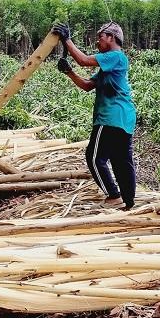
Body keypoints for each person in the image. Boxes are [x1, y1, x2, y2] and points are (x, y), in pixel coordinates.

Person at [52, 21, 137, 209]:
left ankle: (114, 195)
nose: (98, 41)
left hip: (110, 117)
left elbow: (83, 60)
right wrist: (69, 72)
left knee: (94, 157)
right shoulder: (109, 67)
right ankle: (129, 202)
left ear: (111, 38)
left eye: (101, 37)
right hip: (125, 119)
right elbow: (87, 86)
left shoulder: (115, 56)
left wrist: (67, 40)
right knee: (121, 161)